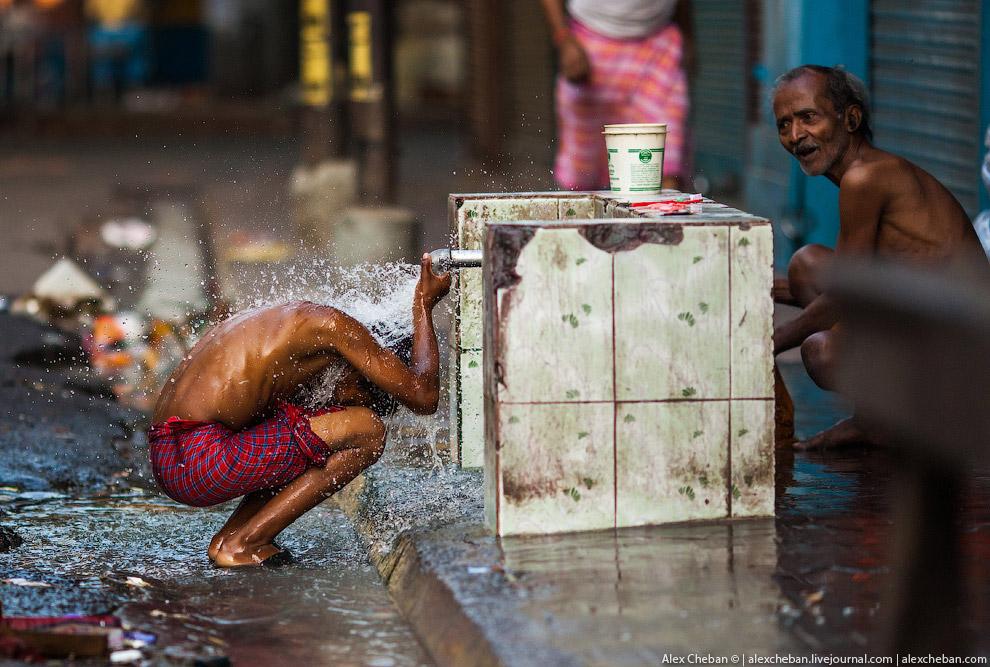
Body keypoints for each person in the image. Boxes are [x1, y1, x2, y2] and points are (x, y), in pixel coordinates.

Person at [149, 254, 451, 567]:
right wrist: (423, 305)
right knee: (368, 430)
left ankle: (232, 537)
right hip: (198, 460)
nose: (346, 404)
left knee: (310, 433)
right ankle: (245, 544)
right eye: (361, 395)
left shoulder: (296, 324)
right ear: (361, 370)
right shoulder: (335, 327)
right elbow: (423, 396)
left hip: (171, 455)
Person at [772, 64, 986, 450]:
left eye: (808, 118)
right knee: (807, 265)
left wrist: (771, 341)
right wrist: (764, 289)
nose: (795, 136)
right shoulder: (862, 173)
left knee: (821, 350)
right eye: (784, 124)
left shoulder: (864, 178)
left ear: (850, 118)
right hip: (927, 319)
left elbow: (845, 296)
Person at [539, 0, 693, 191]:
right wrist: (564, 38)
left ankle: (663, 219)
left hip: (659, 48)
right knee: (582, 175)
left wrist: (687, 33)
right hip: (590, 44)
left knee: (663, 164)